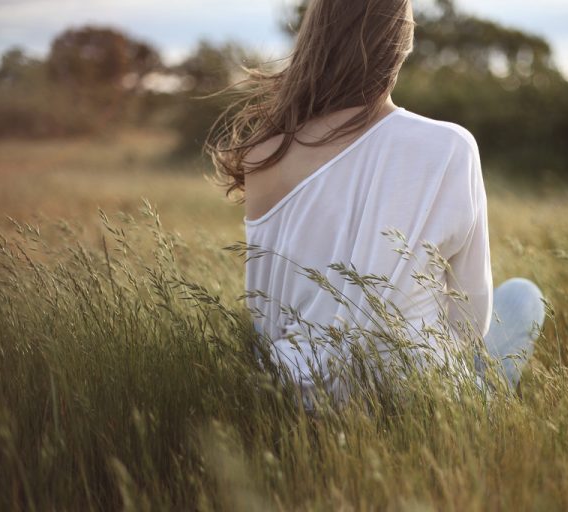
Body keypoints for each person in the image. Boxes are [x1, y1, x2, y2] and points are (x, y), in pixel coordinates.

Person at [206, 0, 545, 413]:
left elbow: (265, 320)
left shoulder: (265, 153)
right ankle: (488, 414)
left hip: (300, 399)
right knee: (523, 297)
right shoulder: (452, 146)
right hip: (422, 398)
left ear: (314, 39)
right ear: (400, 44)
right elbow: (471, 324)